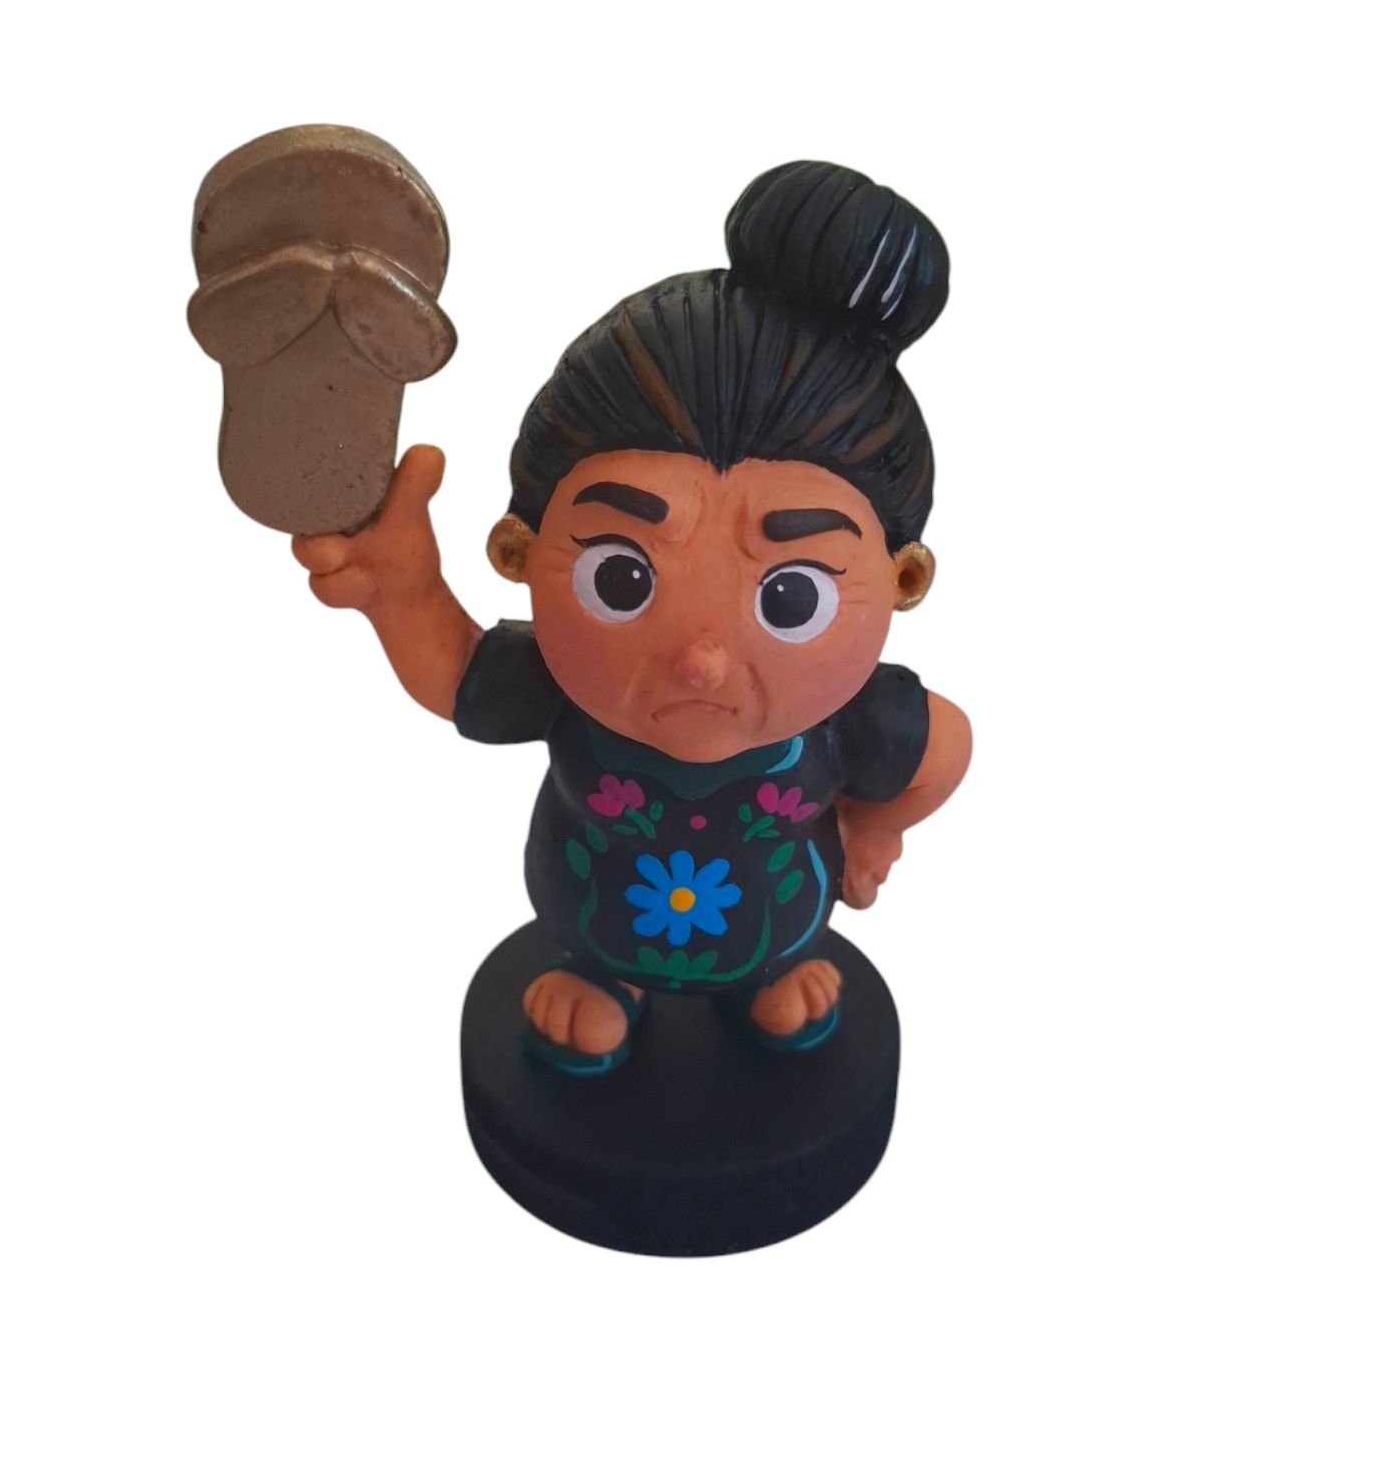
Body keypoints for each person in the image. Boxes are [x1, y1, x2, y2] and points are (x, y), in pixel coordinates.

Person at [292, 159, 973, 1072]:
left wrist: (876, 826)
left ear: (903, 578)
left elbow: (945, 749)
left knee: (778, 973)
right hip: (595, 921)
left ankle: (760, 978)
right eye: (621, 579)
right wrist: (403, 593)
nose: (701, 662)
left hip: (781, 927)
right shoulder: (555, 685)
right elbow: (454, 674)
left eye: (791, 596)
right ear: (519, 552)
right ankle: (610, 982)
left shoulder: (856, 723)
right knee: (596, 975)